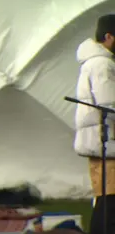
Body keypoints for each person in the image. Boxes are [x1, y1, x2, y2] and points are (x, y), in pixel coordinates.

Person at [73, 14, 115, 234]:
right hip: (106, 141)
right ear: (109, 36)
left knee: (104, 198)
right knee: (110, 201)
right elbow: (109, 103)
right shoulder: (102, 64)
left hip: (97, 141)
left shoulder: (94, 62)